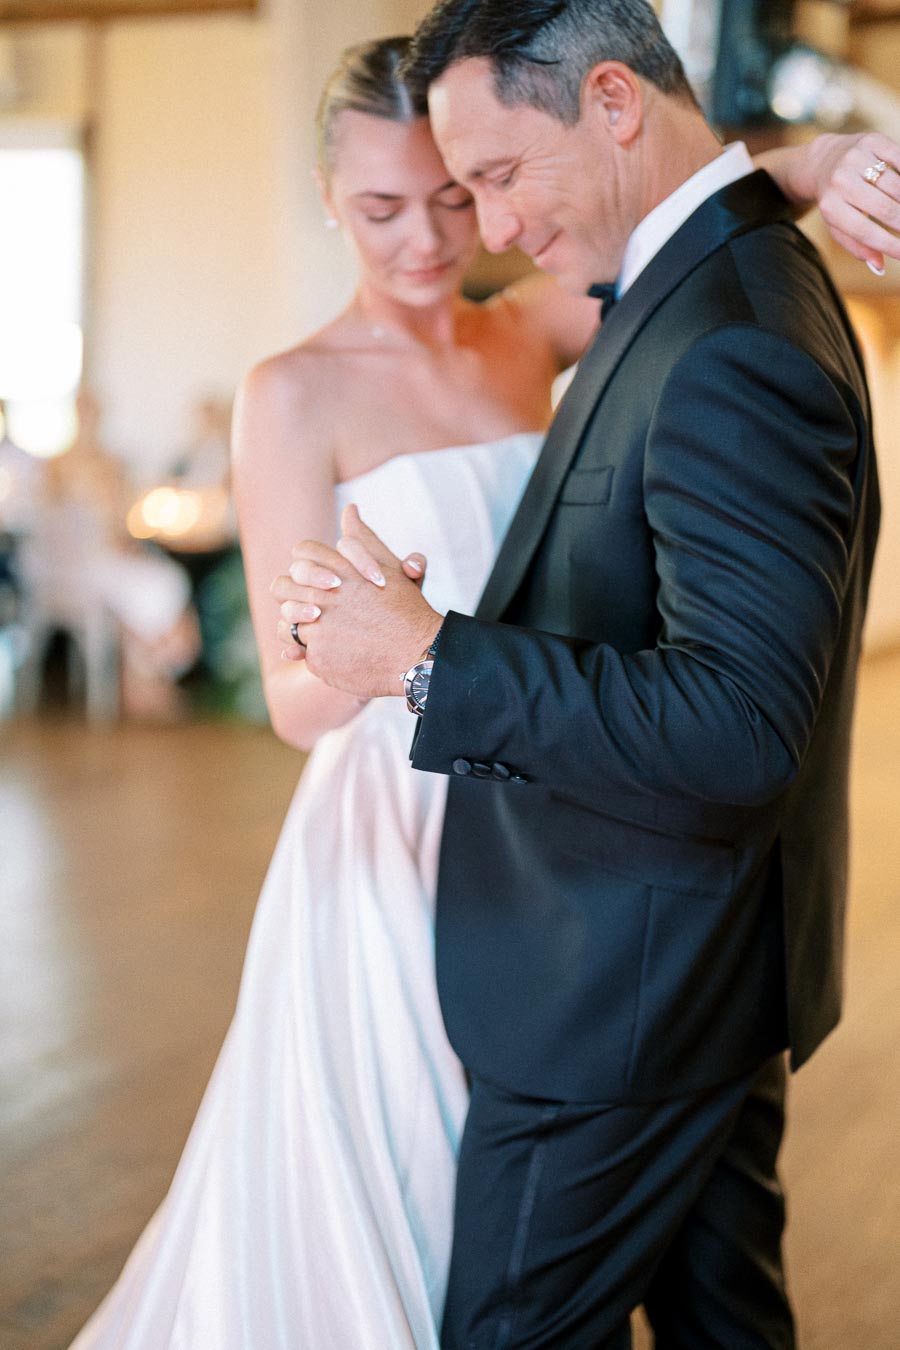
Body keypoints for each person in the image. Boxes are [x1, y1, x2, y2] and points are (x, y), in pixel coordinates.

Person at [73, 30, 892, 1350]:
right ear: (329, 195)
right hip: (404, 816)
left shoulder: (534, 322)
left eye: (459, 195)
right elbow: (290, 697)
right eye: (387, 207)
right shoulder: (292, 392)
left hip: (573, 805)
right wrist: (380, 649)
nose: (437, 235)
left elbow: (688, 240)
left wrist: (826, 162)